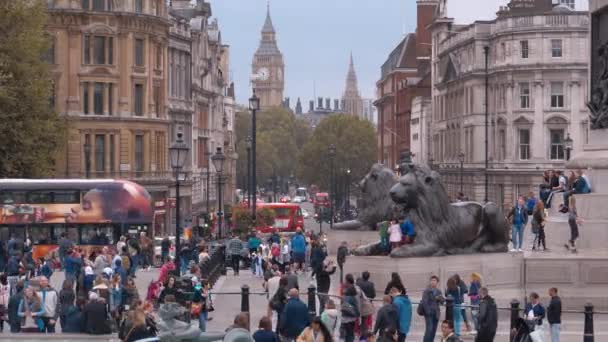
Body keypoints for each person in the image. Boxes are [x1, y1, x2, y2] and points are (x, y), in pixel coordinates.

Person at [421, 275, 444, 342]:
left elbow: (442, 302)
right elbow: (424, 302)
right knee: (429, 329)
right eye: (432, 280)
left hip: (436, 313)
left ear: (437, 282)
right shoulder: (426, 291)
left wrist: (440, 298)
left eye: (435, 281)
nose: (433, 282)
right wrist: (428, 311)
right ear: (430, 282)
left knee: (434, 330)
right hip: (429, 313)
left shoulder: (439, 291)